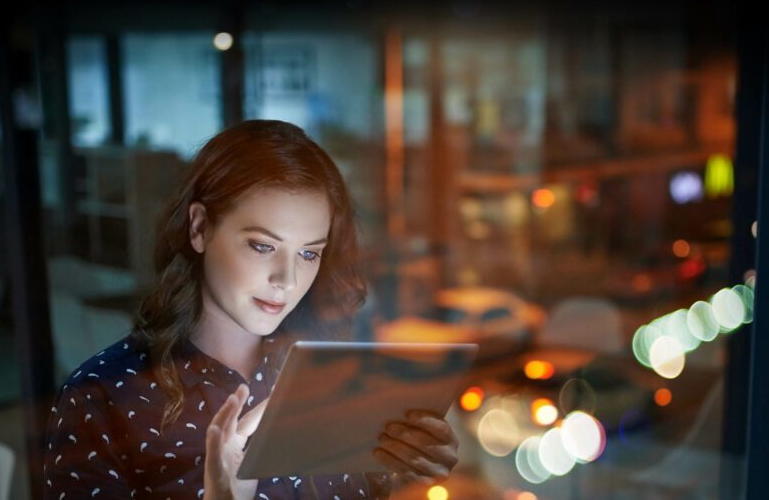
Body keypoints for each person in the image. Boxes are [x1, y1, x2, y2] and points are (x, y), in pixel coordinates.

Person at [42, 119, 460, 499]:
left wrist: (403, 474)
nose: (287, 279)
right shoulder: (101, 396)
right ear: (200, 227)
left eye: (309, 254)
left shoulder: (330, 374)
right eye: (262, 246)